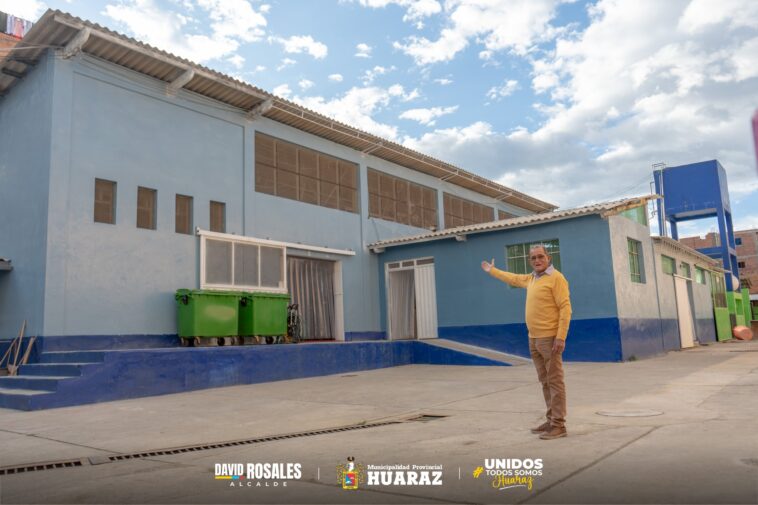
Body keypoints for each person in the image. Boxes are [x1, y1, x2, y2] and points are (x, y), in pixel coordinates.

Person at [481, 245, 572, 440]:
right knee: (545, 382)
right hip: (533, 338)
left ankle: (559, 425)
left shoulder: (557, 278)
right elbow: (513, 278)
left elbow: (565, 308)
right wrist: (493, 271)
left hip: (549, 339)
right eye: (533, 258)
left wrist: (561, 336)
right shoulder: (532, 278)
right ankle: (551, 419)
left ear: (548, 258)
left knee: (555, 381)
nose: (537, 260)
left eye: (540, 256)